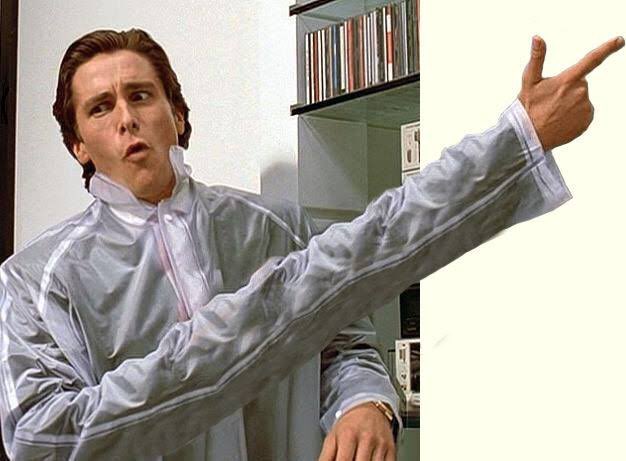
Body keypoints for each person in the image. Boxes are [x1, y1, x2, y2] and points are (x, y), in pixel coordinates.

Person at [0, 27, 621, 461]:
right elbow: (41, 437)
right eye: (100, 108)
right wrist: (236, 342)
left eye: (141, 96)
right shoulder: (35, 281)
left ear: (177, 114)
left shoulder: (274, 226)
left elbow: (346, 342)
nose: (126, 119)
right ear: (78, 145)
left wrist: (367, 403)